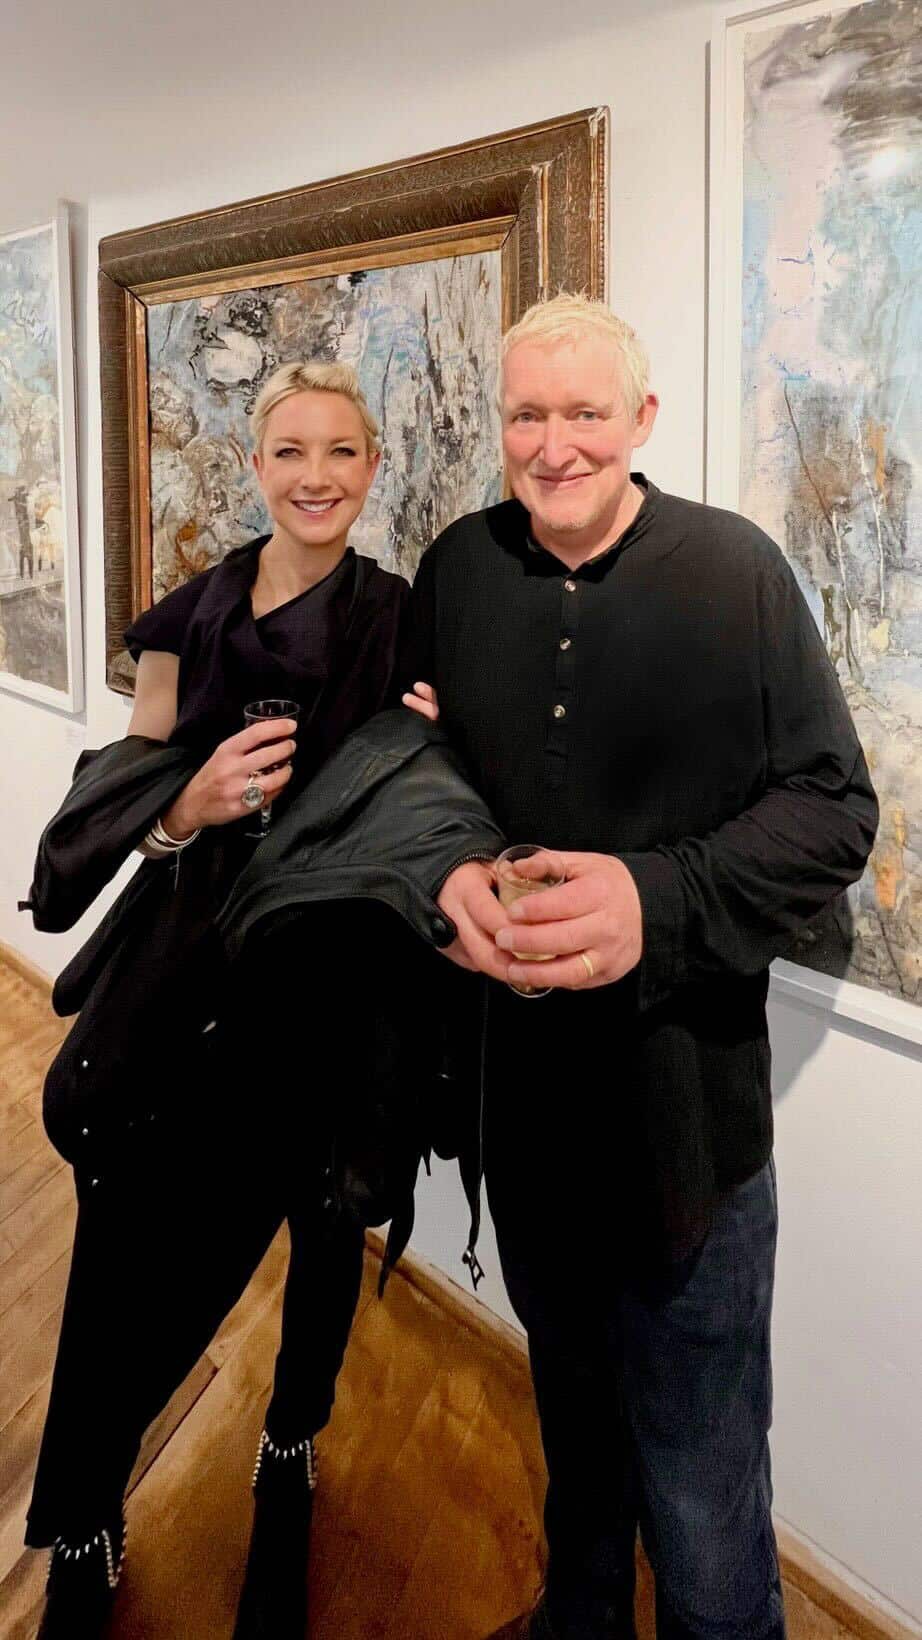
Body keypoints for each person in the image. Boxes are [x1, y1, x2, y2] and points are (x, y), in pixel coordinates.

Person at [399, 293, 879, 1640]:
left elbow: (835, 811)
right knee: (580, 1450)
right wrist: (442, 864)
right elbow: (411, 764)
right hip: (526, 1122)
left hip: (687, 1140)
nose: (554, 446)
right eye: (527, 416)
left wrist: (652, 898)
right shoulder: (458, 565)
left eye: (585, 414)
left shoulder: (733, 572)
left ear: (642, 421)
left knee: (705, 1491)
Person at [23, 360, 433, 1639]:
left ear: (373, 469)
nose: (317, 475)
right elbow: (108, 802)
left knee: (324, 1231)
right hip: (188, 988)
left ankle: (289, 1444)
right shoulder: (188, 620)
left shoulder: (404, 619)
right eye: (291, 450)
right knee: (120, 1263)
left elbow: (440, 792)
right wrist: (184, 804)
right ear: (256, 467)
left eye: (343, 452)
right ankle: (84, 1511)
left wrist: (426, 744)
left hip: (335, 997)